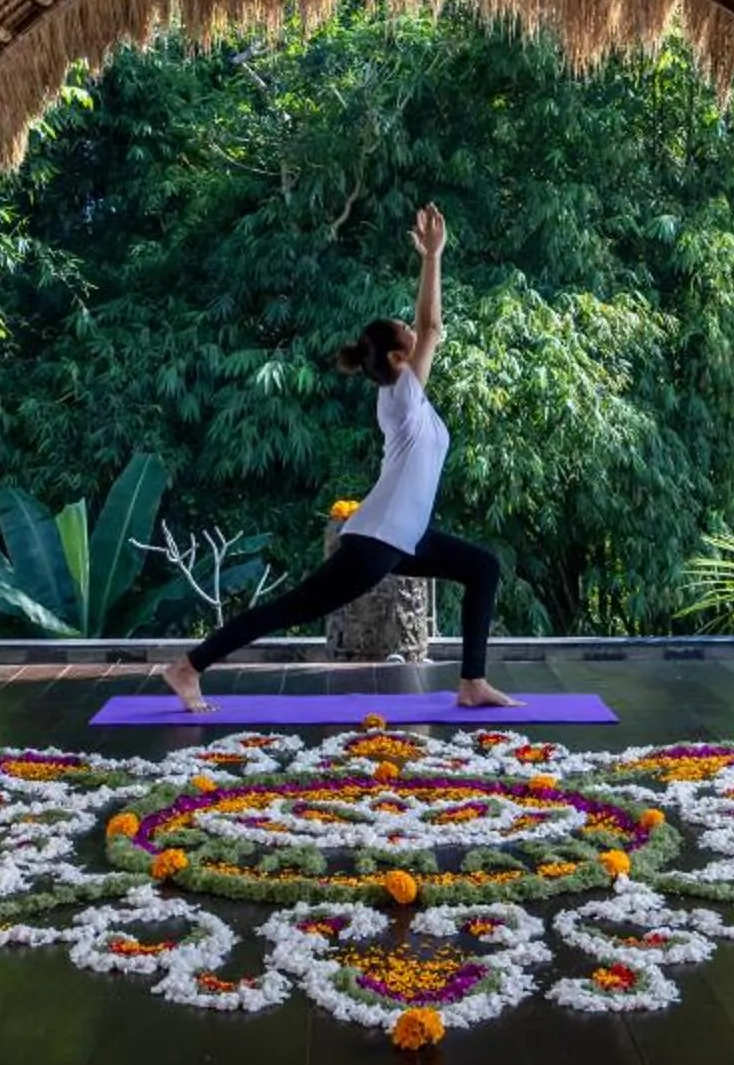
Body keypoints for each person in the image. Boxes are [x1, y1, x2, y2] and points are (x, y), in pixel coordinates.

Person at [159, 204, 520, 713]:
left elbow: (427, 329)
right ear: (398, 358)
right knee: (292, 608)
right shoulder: (400, 395)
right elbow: (433, 323)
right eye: (408, 337)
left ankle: (472, 683)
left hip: (404, 536)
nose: (419, 339)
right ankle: (188, 667)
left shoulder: (410, 400)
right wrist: (433, 258)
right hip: (378, 540)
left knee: (483, 567)